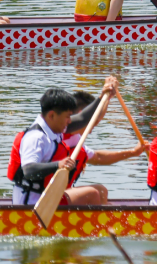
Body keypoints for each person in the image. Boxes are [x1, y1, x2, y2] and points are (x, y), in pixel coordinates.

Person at [8, 77, 120, 207]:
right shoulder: (36, 138)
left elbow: (83, 118)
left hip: (47, 197)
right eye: (67, 116)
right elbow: (28, 170)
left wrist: (103, 96)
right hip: (31, 204)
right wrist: (58, 165)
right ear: (52, 115)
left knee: (99, 191)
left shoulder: (54, 129)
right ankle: (91, 227)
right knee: (92, 194)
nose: (70, 121)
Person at [62, 90, 151, 203]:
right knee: (92, 194)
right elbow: (96, 118)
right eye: (94, 123)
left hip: (62, 194)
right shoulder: (62, 134)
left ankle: (105, 219)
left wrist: (133, 152)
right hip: (46, 199)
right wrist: (106, 95)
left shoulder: (76, 139)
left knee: (101, 191)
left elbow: (99, 157)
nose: (94, 127)